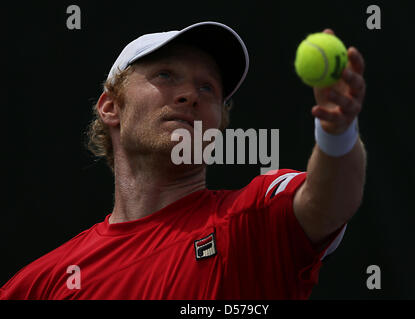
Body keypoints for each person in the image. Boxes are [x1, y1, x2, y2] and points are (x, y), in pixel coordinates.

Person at [0, 21, 366, 299]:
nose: (190, 94)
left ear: (218, 126)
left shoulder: (251, 222)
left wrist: (338, 132)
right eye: (166, 75)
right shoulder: (42, 284)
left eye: (208, 88)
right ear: (111, 107)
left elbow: (329, 202)